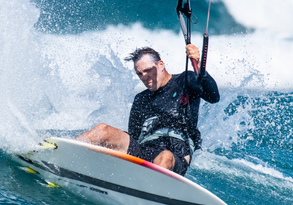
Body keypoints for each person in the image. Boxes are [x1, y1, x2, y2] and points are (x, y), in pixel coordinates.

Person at [77, 44, 220, 176]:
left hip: (176, 152)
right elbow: (134, 135)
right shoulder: (141, 99)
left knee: (165, 157)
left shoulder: (185, 80)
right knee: (102, 129)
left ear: (161, 65)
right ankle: (62, 153)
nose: (144, 77)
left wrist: (199, 65)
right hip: (145, 150)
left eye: (147, 70)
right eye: (139, 74)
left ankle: (149, 190)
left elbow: (214, 96)